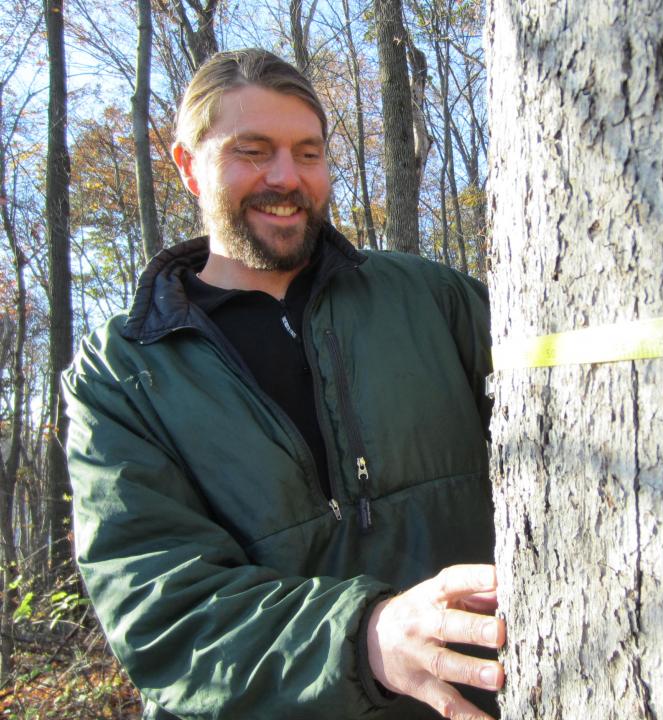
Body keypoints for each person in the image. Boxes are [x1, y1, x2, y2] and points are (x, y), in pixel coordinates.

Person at [63, 48, 504, 720]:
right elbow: (162, 613)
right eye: (253, 150)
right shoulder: (123, 373)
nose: (285, 176)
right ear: (187, 166)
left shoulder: (432, 299)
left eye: (308, 152)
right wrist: (366, 637)